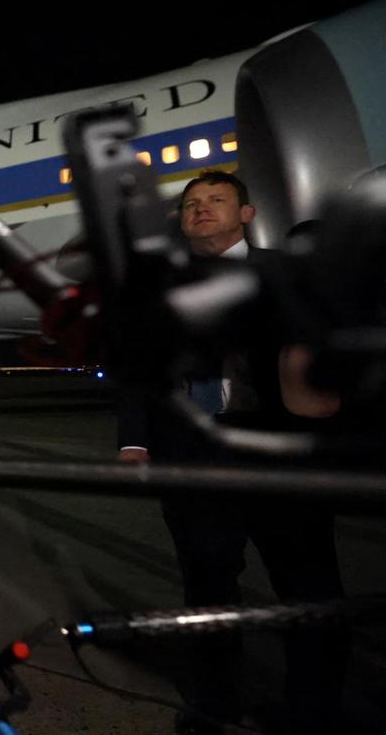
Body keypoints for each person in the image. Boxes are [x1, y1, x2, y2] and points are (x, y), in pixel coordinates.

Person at [117, 170, 345, 734]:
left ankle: (313, 710)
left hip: (279, 454)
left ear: (246, 214)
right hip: (193, 455)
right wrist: (134, 440)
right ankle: (213, 703)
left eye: (217, 200)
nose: (202, 209)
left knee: (307, 588)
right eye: (192, 203)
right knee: (207, 592)